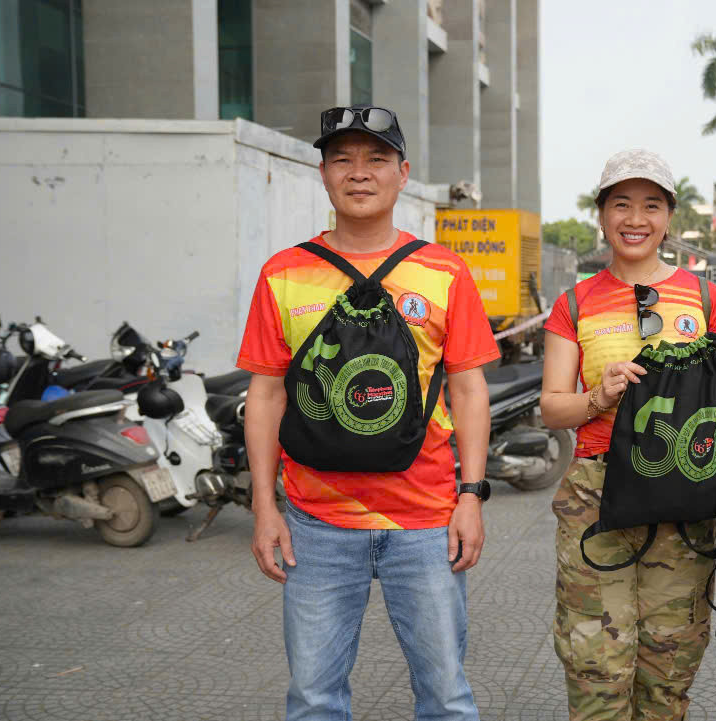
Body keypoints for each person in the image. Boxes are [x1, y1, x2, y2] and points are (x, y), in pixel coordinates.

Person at [238, 104, 499, 721]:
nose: (360, 173)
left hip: (427, 520)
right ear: (322, 174)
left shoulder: (444, 271)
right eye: (343, 160)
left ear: (402, 173)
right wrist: (264, 506)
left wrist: (472, 496)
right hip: (316, 524)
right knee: (314, 700)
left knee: (446, 698)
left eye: (376, 159)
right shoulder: (283, 274)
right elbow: (266, 395)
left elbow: (468, 389)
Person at [539, 149, 716, 721]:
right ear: (602, 215)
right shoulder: (574, 303)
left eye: (651, 205)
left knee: (669, 662)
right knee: (597, 664)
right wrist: (597, 398)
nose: (636, 218)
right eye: (621, 204)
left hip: (684, 497)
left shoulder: (706, 300)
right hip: (597, 495)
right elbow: (551, 408)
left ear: (668, 218)